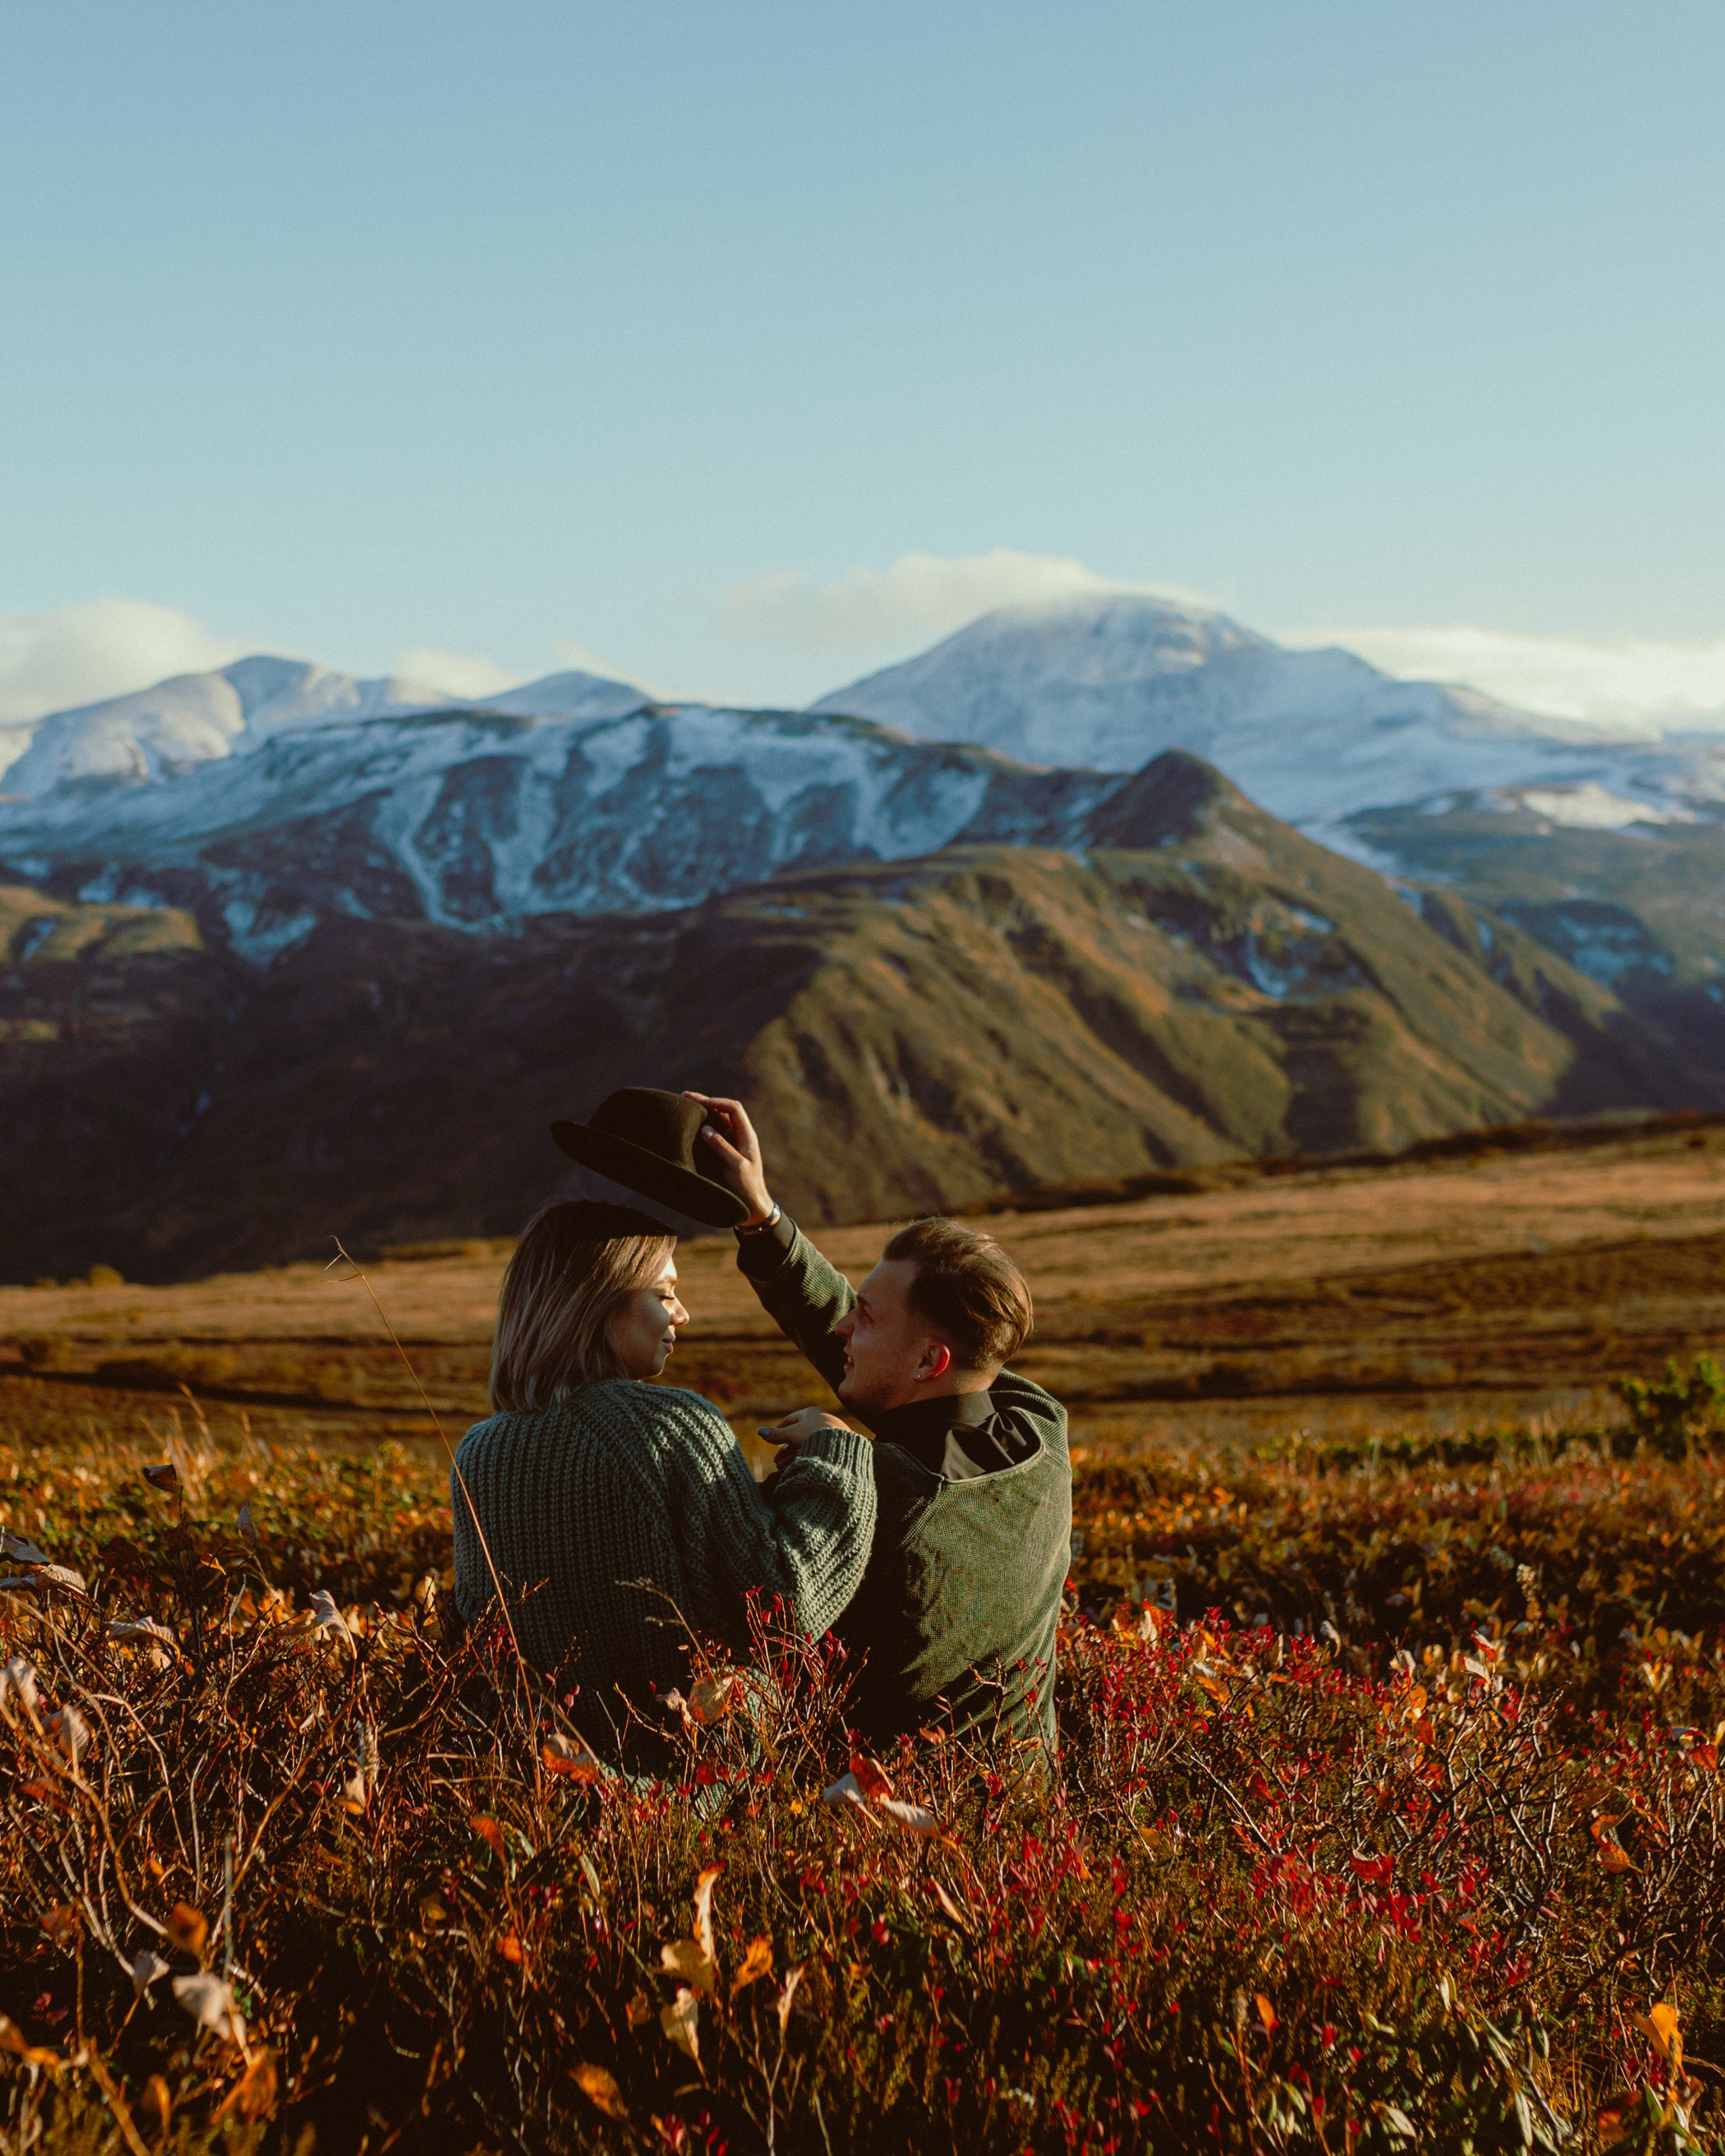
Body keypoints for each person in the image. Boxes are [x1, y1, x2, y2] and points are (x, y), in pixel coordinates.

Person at [450, 1090, 877, 1767]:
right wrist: (837, 1457)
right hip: (681, 1791)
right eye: (665, 1293)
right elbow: (782, 1607)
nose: (683, 1315)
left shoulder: (478, 1452)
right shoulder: (677, 1427)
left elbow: (476, 1642)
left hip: (535, 1783)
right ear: (598, 1302)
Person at [684, 1090, 1072, 1756]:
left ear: (929, 1360)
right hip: (1027, 1807)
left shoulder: (884, 1501)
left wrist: (835, 1456)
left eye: (864, 1316)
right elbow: (902, 1363)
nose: (841, 1326)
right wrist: (762, 1218)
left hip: (874, 1813)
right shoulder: (1041, 1428)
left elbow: (739, 1598)